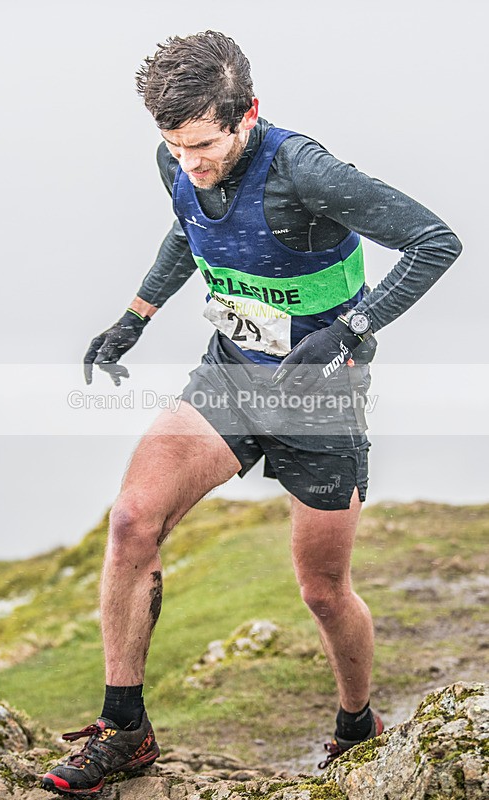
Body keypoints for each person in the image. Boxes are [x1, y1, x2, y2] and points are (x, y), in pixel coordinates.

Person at [42, 30, 462, 795]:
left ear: (246, 113)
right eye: (174, 145)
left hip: (320, 400)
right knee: (133, 520)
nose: (189, 162)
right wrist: (134, 316)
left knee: (321, 590)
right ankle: (125, 730)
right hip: (230, 373)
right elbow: (189, 223)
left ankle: (353, 722)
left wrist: (345, 332)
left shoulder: (305, 170)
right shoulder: (178, 157)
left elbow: (436, 242)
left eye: (204, 144)